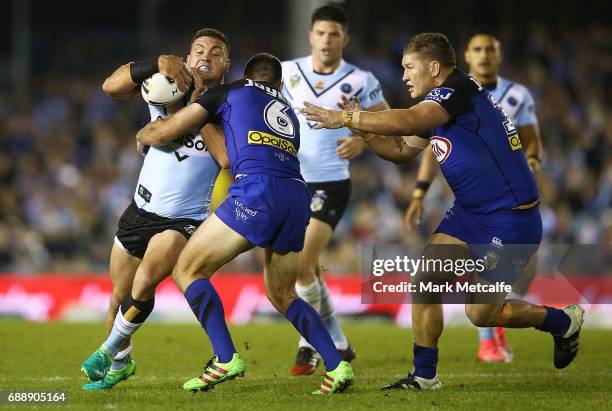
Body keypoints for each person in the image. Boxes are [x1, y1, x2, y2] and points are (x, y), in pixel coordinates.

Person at [303, 32, 584, 390]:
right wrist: (365, 131)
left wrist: (348, 118)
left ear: (434, 67)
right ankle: (424, 376)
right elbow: (401, 150)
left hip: (510, 219)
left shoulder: (457, 91)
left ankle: (562, 322)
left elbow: (406, 121)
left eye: (409, 67)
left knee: (481, 313)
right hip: (470, 213)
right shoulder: (437, 107)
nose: (403, 76)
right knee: (424, 282)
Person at [94, 53, 354, 395]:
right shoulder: (287, 110)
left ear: (246, 76)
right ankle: (337, 365)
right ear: (277, 84)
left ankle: (225, 357)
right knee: (284, 293)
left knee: (187, 270)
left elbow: (170, 130)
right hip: (296, 196)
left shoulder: (230, 92)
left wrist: (146, 132)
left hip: (256, 193)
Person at [79, 28, 231, 390]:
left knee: (145, 282)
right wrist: (152, 64)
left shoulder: (229, 104)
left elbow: (226, 157)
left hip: (182, 221)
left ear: (226, 65)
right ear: (188, 58)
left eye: (215, 52)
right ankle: (120, 363)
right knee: (118, 294)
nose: (205, 56)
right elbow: (110, 87)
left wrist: (199, 109)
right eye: (198, 50)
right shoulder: (165, 84)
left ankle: (106, 349)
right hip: (140, 210)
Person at [404, 31, 543, 363]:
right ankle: (428, 371)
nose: (484, 55)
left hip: (508, 203)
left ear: (499, 55)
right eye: (477, 49)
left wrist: (531, 163)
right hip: (470, 206)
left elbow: (531, 140)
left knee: (487, 302)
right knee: (427, 279)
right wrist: (419, 193)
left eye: (489, 50)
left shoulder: (513, 95)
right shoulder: (441, 98)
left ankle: (548, 320)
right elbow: (428, 146)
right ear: (467, 55)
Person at [281, 3, 389, 375]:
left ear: (345, 38)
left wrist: (362, 140)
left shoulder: (361, 79)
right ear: (311, 35)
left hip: (330, 183)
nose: (327, 40)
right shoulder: (286, 72)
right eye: (321, 33)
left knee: (300, 264)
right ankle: (338, 341)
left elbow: (386, 121)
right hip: (289, 181)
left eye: (334, 34)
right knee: (306, 270)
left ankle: (313, 343)